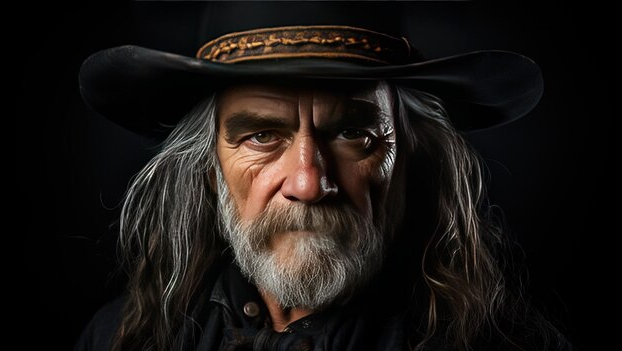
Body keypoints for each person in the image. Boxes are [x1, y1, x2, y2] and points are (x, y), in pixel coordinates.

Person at [75, 3, 571, 351]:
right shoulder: (119, 336)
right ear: (210, 169)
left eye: (354, 134)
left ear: (410, 161)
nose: (309, 184)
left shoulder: (501, 341)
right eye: (261, 137)